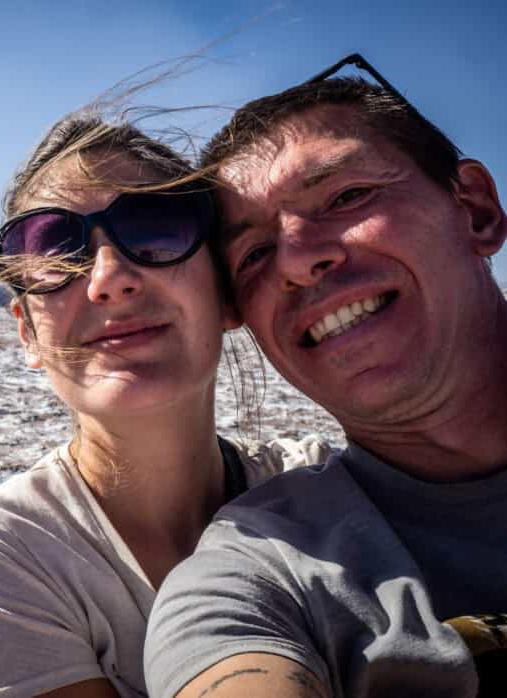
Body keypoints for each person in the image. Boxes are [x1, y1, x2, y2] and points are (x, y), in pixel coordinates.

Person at [0, 113, 330, 697]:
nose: (109, 278)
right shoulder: (4, 552)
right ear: (27, 331)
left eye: (155, 230)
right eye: (53, 252)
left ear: (227, 296)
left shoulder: (318, 488)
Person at [144, 55, 507, 698]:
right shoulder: (265, 571)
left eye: (346, 197)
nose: (300, 259)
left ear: (475, 210)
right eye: (253, 254)